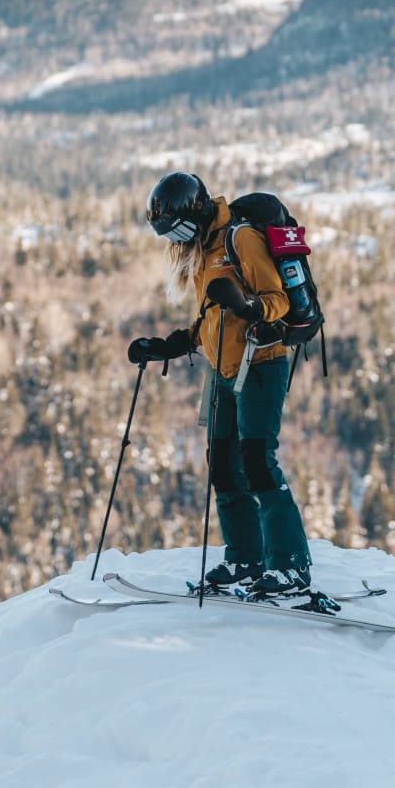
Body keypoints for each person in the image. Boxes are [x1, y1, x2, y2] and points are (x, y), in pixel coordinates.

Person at [127, 171, 312, 596]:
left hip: (261, 362)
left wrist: (248, 304)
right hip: (223, 370)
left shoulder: (239, 239)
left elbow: (278, 299)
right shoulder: (203, 249)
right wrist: (168, 346)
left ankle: (290, 566)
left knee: (257, 461)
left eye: (180, 228)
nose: (177, 239)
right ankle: (245, 558)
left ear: (195, 211)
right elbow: (211, 318)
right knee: (224, 467)